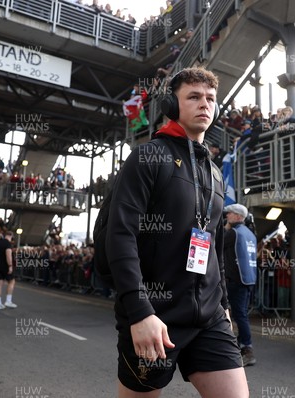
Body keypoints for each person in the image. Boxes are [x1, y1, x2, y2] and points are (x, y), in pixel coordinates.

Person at [106, 67, 249, 397]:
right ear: (173, 104)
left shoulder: (214, 173)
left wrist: (224, 305)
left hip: (209, 317)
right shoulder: (146, 157)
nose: (204, 104)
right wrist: (140, 313)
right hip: (155, 316)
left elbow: (212, 244)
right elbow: (121, 236)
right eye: (194, 97)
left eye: (210, 98)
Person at [223, 203, 258, 367]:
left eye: (229, 214)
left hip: (236, 280)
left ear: (237, 217)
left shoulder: (233, 233)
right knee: (240, 314)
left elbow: (218, 244)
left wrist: (224, 228)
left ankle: (247, 349)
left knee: (240, 315)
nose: (227, 216)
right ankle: (240, 343)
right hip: (248, 279)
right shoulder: (250, 234)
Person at [0, 231, 18, 310]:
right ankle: (8, 301)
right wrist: (10, 266)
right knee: (11, 281)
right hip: (5, 266)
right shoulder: (8, 244)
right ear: (11, 236)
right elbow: (8, 255)